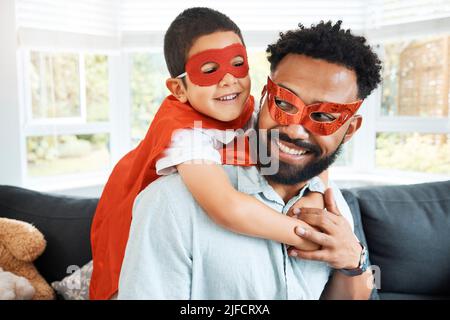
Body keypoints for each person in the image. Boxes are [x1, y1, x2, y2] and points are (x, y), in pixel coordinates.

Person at [118, 20, 382, 299]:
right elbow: (227, 207)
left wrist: (354, 261)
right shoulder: (172, 203)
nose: (294, 129)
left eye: (324, 117)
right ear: (265, 97)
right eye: (283, 103)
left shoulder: (333, 206)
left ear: (350, 129)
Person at [90, 7, 327, 300]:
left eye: (237, 64)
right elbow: (226, 207)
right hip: (140, 222)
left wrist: (316, 194)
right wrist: (305, 236)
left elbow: (310, 150)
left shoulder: (253, 110)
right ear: (179, 88)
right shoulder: (184, 136)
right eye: (210, 70)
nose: (229, 80)